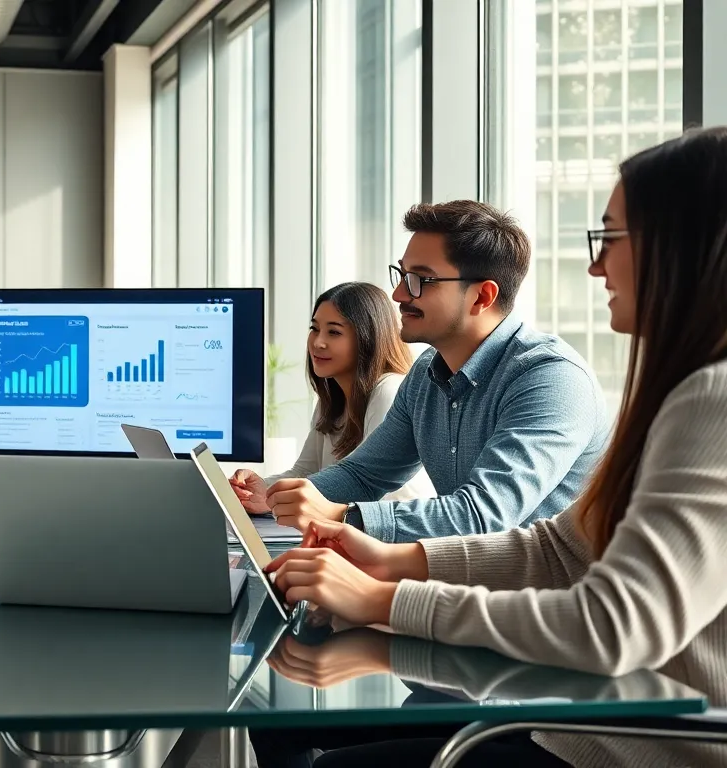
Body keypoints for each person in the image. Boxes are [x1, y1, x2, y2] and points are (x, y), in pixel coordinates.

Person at [263, 126, 727, 768]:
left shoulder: (697, 398)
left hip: (637, 739)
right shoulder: (683, 392)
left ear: (686, 247)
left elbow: (608, 623)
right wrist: (393, 559)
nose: (596, 265)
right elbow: (561, 546)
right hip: (585, 715)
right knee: (282, 715)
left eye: (610, 239)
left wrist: (381, 595)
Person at [233, 200, 608, 542]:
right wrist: (275, 497)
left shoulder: (551, 379)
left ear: (482, 296)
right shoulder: (427, 373)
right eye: (401, 275)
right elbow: (363, 475)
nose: (398, 295)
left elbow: (484, 516)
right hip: (469, 586)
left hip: (548, 603)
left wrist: (342, 516)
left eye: (420, 281)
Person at [234, 281, 434, 502]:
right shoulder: (331, 400)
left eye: (334, 332)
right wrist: (257, 489)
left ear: (367, 338)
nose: (318, 342)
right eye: (315, 329)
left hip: (386, 534)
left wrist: (274, 498)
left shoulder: (389, 391)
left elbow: (372, 490)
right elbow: (304, 473)